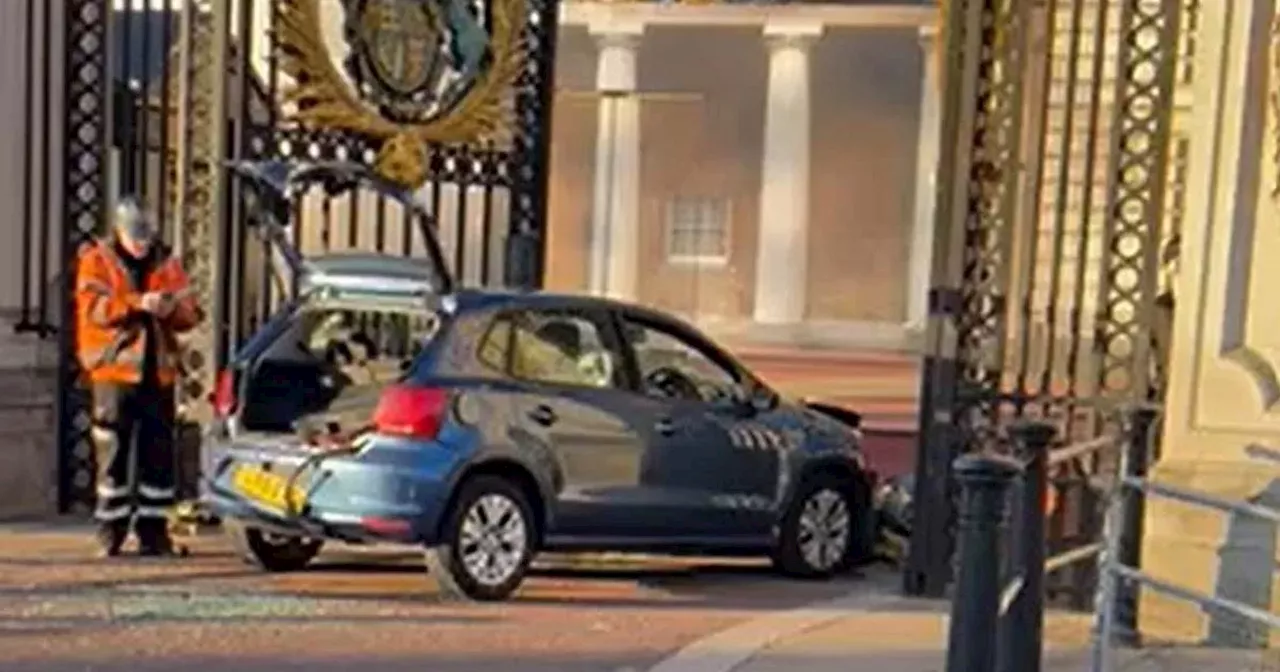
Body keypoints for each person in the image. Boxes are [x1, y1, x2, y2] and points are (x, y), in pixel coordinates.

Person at [74, 197, 202, 557]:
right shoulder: (96, 260)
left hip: (156, 372)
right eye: (136, 238)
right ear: (119, 231)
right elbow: (94, 310)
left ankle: (153, 532)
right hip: (114, 370)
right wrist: (136, 302)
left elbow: (190, 311)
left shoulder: (166, 262)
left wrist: (171, 307)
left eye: (147, 238)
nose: (142, 245)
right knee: (111, 450)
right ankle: (110, 531)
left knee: (158, 453)